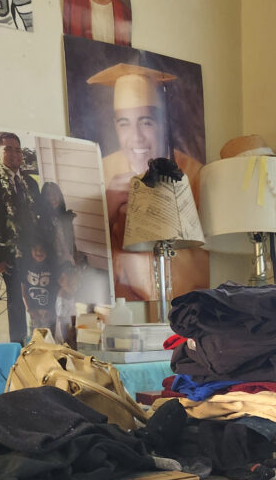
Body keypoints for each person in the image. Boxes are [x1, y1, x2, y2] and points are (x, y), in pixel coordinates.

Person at [86, 62, 208, 302]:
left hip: (184, 309)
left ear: (164, 124)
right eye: (125, 123)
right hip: (124, 311)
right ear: (115, 126)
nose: (136, 137)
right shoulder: (100, 173)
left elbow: (207, 261)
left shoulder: (195, 176)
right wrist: (105, 214)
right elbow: (82, 260)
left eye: (146, 122)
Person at [0, 132, 63, 343]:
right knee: (15, 298)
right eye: (8, 149)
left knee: (37, 295)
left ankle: (42, 341)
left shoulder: (30, 183)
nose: (14, 154)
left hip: (33, 252)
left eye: (18, 150)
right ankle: (18, 346)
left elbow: (41, 216)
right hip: (8, 253)